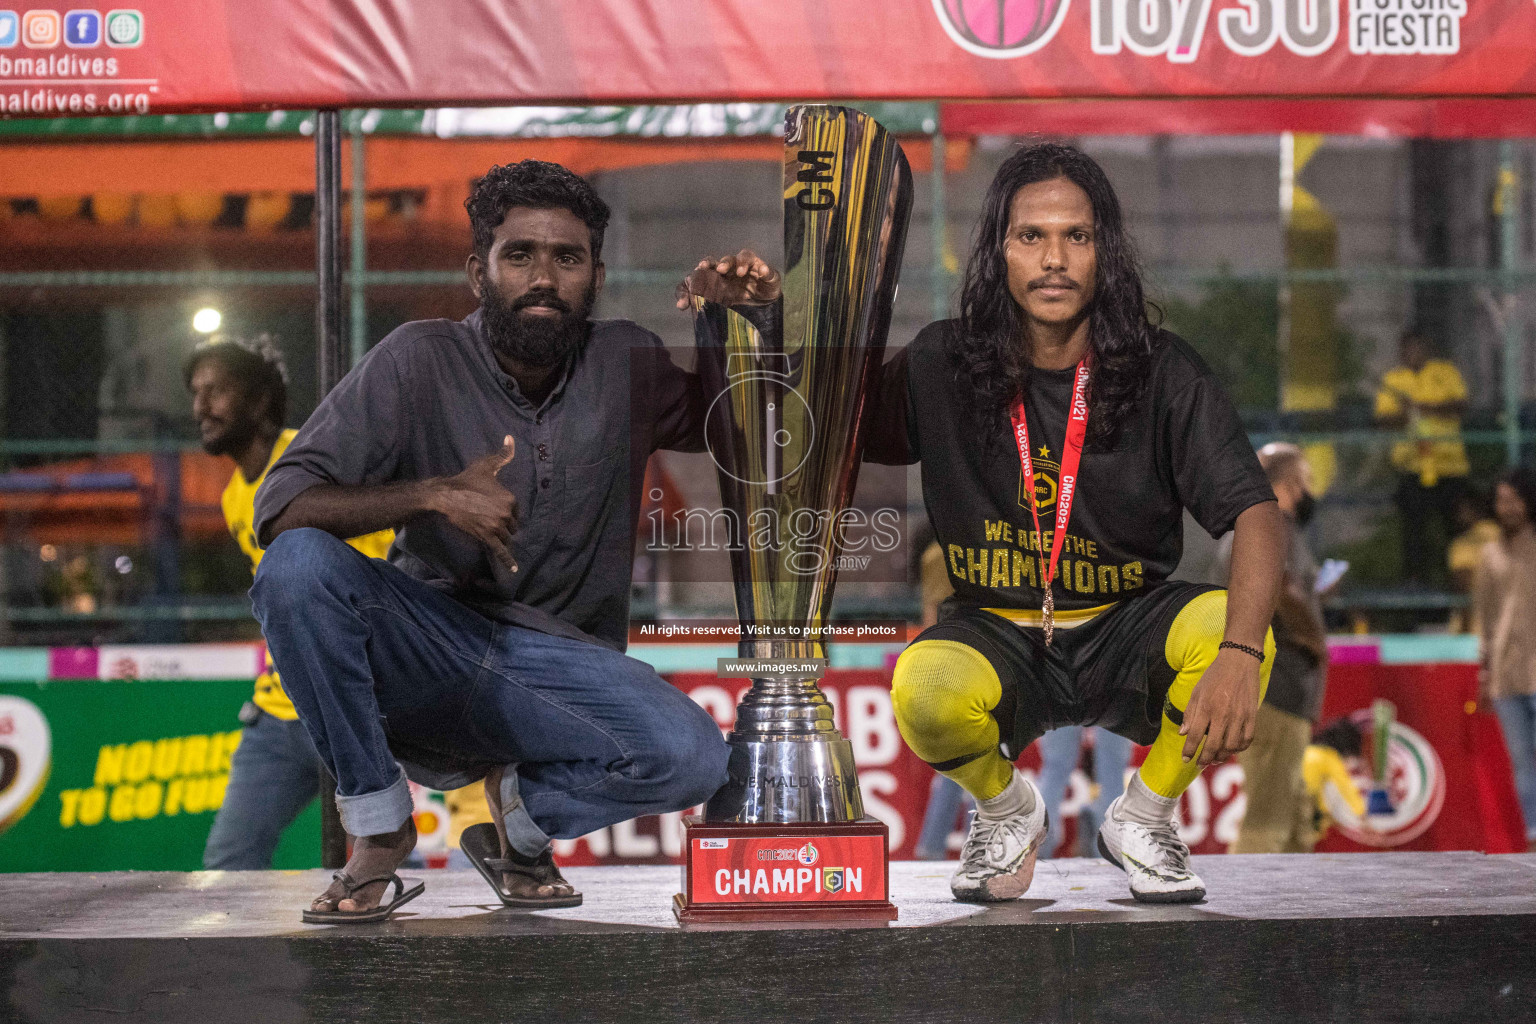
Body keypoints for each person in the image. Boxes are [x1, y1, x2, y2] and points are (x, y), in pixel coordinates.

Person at [714, 143, 1285, 903]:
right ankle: (1008, 808)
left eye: (1076, 237)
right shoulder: (942, 362)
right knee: (922, 685)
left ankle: (1144, 815)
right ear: (999, 251)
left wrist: (1243, 653)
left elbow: (1256, 511)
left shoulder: (1161, 368)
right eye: (1031, 237)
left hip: (1127, 629)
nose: (1055, 259)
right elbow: (819, 419)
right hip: (1000, 632)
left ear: (1104, 251)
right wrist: (757, 322)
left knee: (1235, 631)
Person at [249, 161, 752, 921]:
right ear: (477, 270)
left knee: (694, 757)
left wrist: (732, 324)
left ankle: (520, 821)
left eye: (567, 257)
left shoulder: (627, 359)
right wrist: (431, 494)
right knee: (295, 566)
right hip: (432, 645)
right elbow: (279, 509)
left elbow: (744, 433)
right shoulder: (418, 359)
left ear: (597, 274)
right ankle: (378, 826)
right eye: (520, 255)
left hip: (559, 669)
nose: (543, 277)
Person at [186, 335, 393, 870]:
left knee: (387, 861)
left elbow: (390, 553)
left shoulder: (311, 457)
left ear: (257, 402)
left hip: (358, 698)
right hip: (281, 711)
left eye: (216, 390)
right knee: (227, 864)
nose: (200, 406)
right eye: (196, 392)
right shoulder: (235, 493)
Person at [1226, 443, 1330, 854]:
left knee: (1296, 820)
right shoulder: (1272, 525)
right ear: (1292, 480)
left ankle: (1299, 913)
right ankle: (1242, 916)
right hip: (1277, 685)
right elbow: (1283, 588)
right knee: (1267, 824)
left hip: (1271, 686)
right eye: (1304, 476)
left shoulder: (1249, 525)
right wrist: (1314, 640)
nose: (1308, 488)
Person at [1373, 329, 1470, 587]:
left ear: (1427, 348)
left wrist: (1425, 408)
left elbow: (1460, 405)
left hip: (1448, 465)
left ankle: (1458, 581)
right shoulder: (1393, 380)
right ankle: (1416, 583)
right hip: (1412, 466)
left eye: (1419, 347)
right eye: (1409, 349)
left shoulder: (1445, 372)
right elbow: (1384, 419)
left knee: (1455, 528)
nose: (1414, 354)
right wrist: (1407, 413)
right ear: (1402, 351)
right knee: (1414, 530)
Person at [1473, 468, 1536, 851]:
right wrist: (1485, 673)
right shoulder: (1490, 554)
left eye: (1513, 499)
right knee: (1522, 764)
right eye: (1501, 500)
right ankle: (1533, 838)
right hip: (1507, 679)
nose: (1506, 508)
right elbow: (1486, 618)